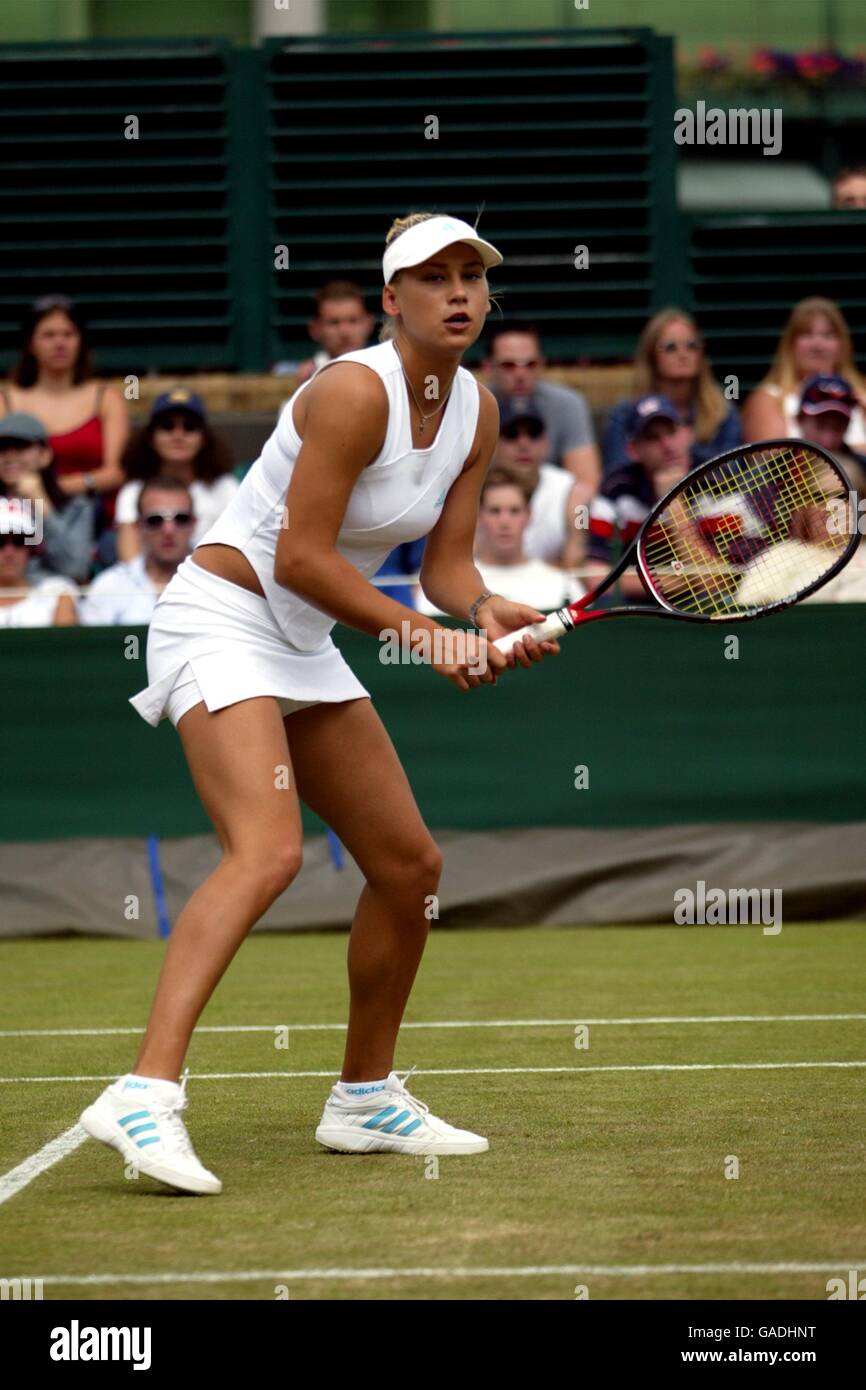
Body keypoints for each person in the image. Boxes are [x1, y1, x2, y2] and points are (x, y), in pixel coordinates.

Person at [79, 211, 559, 1195]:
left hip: (300, 638)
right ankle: (142, 1093)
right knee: (267, 849)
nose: (459, 292)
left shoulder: (475, 411)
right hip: (221, 619)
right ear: (391, 299)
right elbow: (299, 556)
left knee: (407, 862)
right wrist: (426, 639)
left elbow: (446, 563)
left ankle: (363, 1097)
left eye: (472, 274)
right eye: (432, 277)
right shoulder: (348, 391)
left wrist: (478, 607)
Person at [0, 295, 128, 522]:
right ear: (31, 343)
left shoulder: (106, 398)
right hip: (22, 517)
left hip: (93, 518)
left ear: (80, 341)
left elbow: (116, 472)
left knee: (75, 554)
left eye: (68, 334)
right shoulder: (5, 399)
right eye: (48, 335)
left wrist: (57, 487)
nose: (60, 343)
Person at [416, 466, 583, 615]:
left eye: (514, 511)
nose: (504, 522)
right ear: (479, 515)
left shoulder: (563, 585)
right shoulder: (447, 588)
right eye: (495, 511)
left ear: (529, 514)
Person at [602, 308, 741, 475]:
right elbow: (616, 474)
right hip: (647, 500)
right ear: (651, 356)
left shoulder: (722, 411)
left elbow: (734, 472)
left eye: (692, 345)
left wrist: (689, 450)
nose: (683, 354)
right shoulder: (625, 414)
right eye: (670, 347)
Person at [587, 395, 693, 600]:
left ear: (687, 434)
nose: (667, 445)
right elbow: (595, 577)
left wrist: (674, 505)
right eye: (653, 437)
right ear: (633, 450)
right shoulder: (616, 488)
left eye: (671, 432)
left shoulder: (718, 480)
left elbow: (719, 583)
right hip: (638, 609)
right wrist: (685, 582)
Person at [114, 389, 237, 562]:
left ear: (204, 438)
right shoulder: (133, 491)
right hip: (150, 586)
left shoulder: (226, 487)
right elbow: (130, 561)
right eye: (167, 426)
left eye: (189, 427)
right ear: (151, 438)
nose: (178, 435)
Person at [482, 320, 600, 495]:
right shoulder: (471, 403)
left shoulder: (567, 404)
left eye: (530, 365)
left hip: (553, 505)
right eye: (509, 365)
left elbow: (586, 484)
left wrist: (574, 518)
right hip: (488, 507)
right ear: (488, 367)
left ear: (542, 365)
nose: (520, 374)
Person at [742, 297, 866, 446]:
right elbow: (770, 463)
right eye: (807, 334)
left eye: (828, 335)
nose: (818, 344)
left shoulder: (862, 394)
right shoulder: (769, 398)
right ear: (790, 344)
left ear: (842, 344)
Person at [80, 478, 195, 626]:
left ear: (194, 524)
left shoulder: (214, 585)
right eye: (155, 520)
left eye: (181, 519)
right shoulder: (108, 586)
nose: (168, 530)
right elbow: (92, 647)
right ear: (138, 527)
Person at [0, 412, 96, 583]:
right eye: (2, 448)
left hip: (54, 600)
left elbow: (75, 569)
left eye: (21, 447)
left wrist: (39, 502)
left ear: (45, 455)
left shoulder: (77, 506)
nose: (10, 456)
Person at [493, 397, 585, 568]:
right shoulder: (475, 488)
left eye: (533, 434)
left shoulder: (572, 490)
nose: (524, 444)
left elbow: (576, 564)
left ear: (546, 443)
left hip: (551, 590)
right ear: (494, 443)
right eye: (512, 435)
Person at [0, 497, 78, 628]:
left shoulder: (57, 593)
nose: (9, 552)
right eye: (0, 542)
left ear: (31, 549)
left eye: (19, 541)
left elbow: (66, 646)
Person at [283, 280, 375, 384]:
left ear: (369, 324)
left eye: (353, 321)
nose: (344, 332)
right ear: (314, 329)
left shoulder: (386, 368)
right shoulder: (305, 376)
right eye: (334, 323)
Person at [795, 374, 866, 493]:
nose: (827, 441)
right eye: (820, 426)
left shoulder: (863, 468)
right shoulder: (769, 474)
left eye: (837, 428)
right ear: (799, 419)